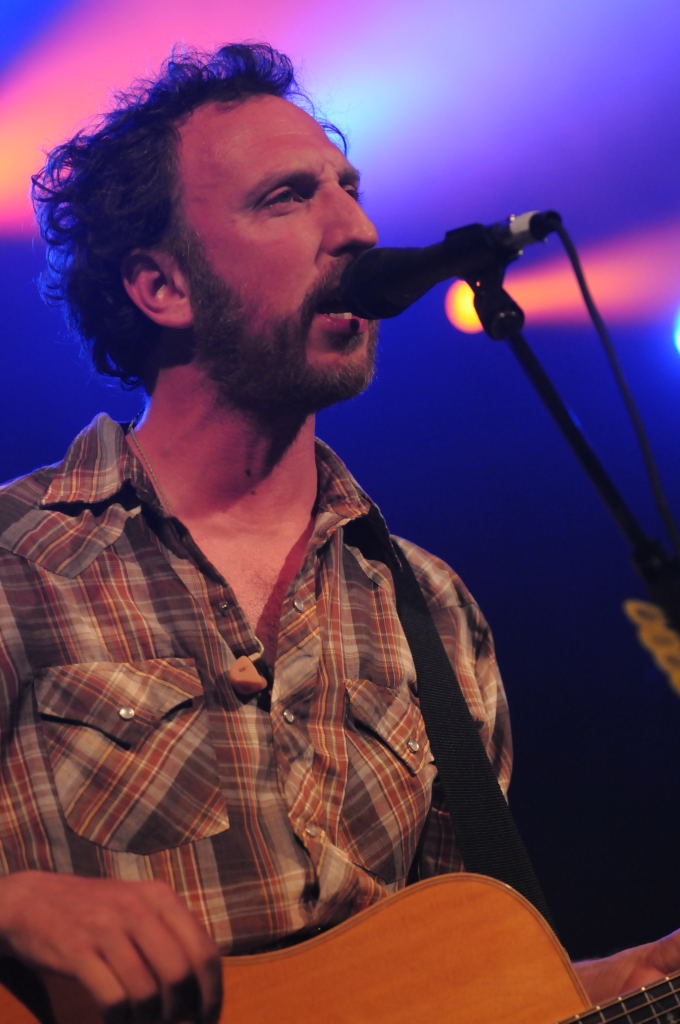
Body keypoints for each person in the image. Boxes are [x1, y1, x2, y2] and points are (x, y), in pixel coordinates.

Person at [0, 42, 677, 1024]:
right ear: (161, 286)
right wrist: (13, 905)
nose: (356, 230)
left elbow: (454, 985)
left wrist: (611, 986)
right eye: (285, 198)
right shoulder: (18, 561)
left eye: (347, 190)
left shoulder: (430, 609)